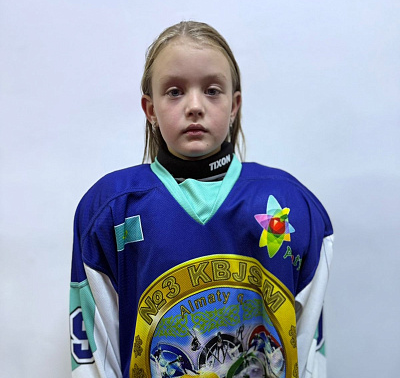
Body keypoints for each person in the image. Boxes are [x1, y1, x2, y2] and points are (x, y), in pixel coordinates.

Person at [69, 21, 333, 378]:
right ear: (150, 109)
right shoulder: (109, 212)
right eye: (174, 91)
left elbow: (307, 351)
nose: (194, 106)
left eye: (211, 90)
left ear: (234, 105)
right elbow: (94, 358)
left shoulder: (292, 207)